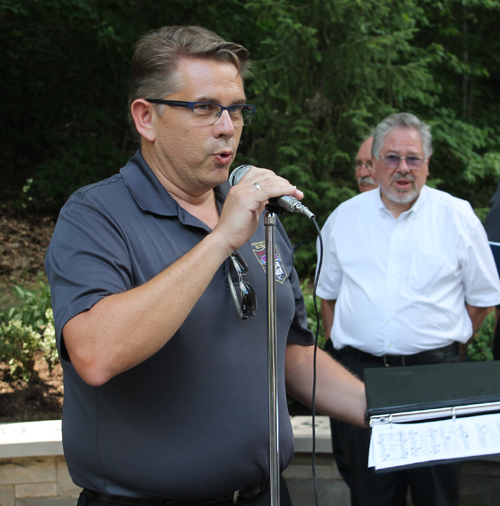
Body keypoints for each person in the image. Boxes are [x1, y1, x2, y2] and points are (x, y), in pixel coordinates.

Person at [45, 25, 366, 506]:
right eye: (204, 108)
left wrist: (386, 410)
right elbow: (96, 353)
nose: (227, 126)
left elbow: (291, 357)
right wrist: (221, 240)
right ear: (146, 118)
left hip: (266, 496)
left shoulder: (258, 218)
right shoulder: (96, 215)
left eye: (237, 109)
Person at [316, 112, 500, 506]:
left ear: (427, 164)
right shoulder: (343, 219)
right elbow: (326, 296)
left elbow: (483, 302)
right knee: (370, 497)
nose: (403, 168)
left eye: (413, 158)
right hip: (361, 383)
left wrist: (441, 342)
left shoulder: (457, 217)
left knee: (438, 496)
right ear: (375, 162)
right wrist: (346, 351)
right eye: (392, 158)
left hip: (436, 381)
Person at [320, 135, 377, 500]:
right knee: (361, 481)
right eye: (359, 164)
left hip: (420, 370)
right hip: (355, 369)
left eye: (370, 162)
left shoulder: (440, 217)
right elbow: (327, 297)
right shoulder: (341, 218)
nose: (363, 171)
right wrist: (337, 351)